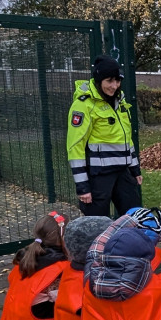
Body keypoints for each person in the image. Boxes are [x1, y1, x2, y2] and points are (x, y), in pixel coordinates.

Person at [67, 55, 141, 217]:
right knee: (97, 225)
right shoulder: (83, 105)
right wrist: (83, 186)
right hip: (98, 176)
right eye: (109, 81)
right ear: (99, 80)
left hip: (122, 172)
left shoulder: (120, 102)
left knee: (135, 217)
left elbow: (127, 139)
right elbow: (75, 147)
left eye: (118, 81)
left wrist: (135, 169)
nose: (114, 86)